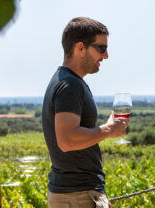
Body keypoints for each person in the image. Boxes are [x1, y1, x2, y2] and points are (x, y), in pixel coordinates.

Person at [42, 17, 127, 208]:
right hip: (77, 195)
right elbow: (67, 140)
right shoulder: (70, 85)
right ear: (80, 47)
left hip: (77, 194)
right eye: (101, 48)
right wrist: (108, 130)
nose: (106, 56)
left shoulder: (64, 81)